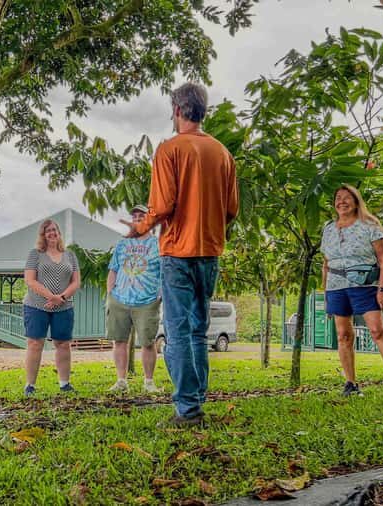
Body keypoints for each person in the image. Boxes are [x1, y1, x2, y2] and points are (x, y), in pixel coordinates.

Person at [121, 83, 238, 428]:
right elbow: (231, 209)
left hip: (177, 253)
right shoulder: (223, 154)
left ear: (176, 110)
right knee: (199, 329)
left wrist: (140, 228)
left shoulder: (169, 150)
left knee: (177, 332)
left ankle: (187, 409)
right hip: (210, 252)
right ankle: (196, 399)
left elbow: (162, 206)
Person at [321, 185, 383, 400]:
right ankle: (351, 384)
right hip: (336, 287)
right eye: (338, 198)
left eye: (347, 198)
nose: (342, 202)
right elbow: (325, 263)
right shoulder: (329, 229)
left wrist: (382, 290)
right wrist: (326, 293)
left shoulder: (370, 225)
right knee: (343, 336)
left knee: (378, 332)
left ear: (356, 201)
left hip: (364, 286)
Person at [106, 205, 162, 393]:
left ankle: (149, 382)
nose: (137, 218)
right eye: (135, 216)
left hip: (147, 301)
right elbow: (113, 269)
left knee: (148, 342)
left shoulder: (158, 244)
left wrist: (159, 295)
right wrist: (110, 293)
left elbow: (164, 271)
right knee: (119, 341)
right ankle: (121, 381)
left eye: (141, 216)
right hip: (119, 299)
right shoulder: (123, 244)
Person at [22, 219, 81, 396]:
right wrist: (51, 296)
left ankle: (64, 384)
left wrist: (61, 298)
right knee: (35, 343)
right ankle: (30, 385)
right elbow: (30, 280)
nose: (52, 233)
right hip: (36, 305)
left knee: (63, 344)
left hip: (64, 306)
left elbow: (76, 282)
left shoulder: (70, 255)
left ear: (59, 233)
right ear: (43, 235)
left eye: (54, 230)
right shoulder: (35, 254)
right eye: (47, 231)